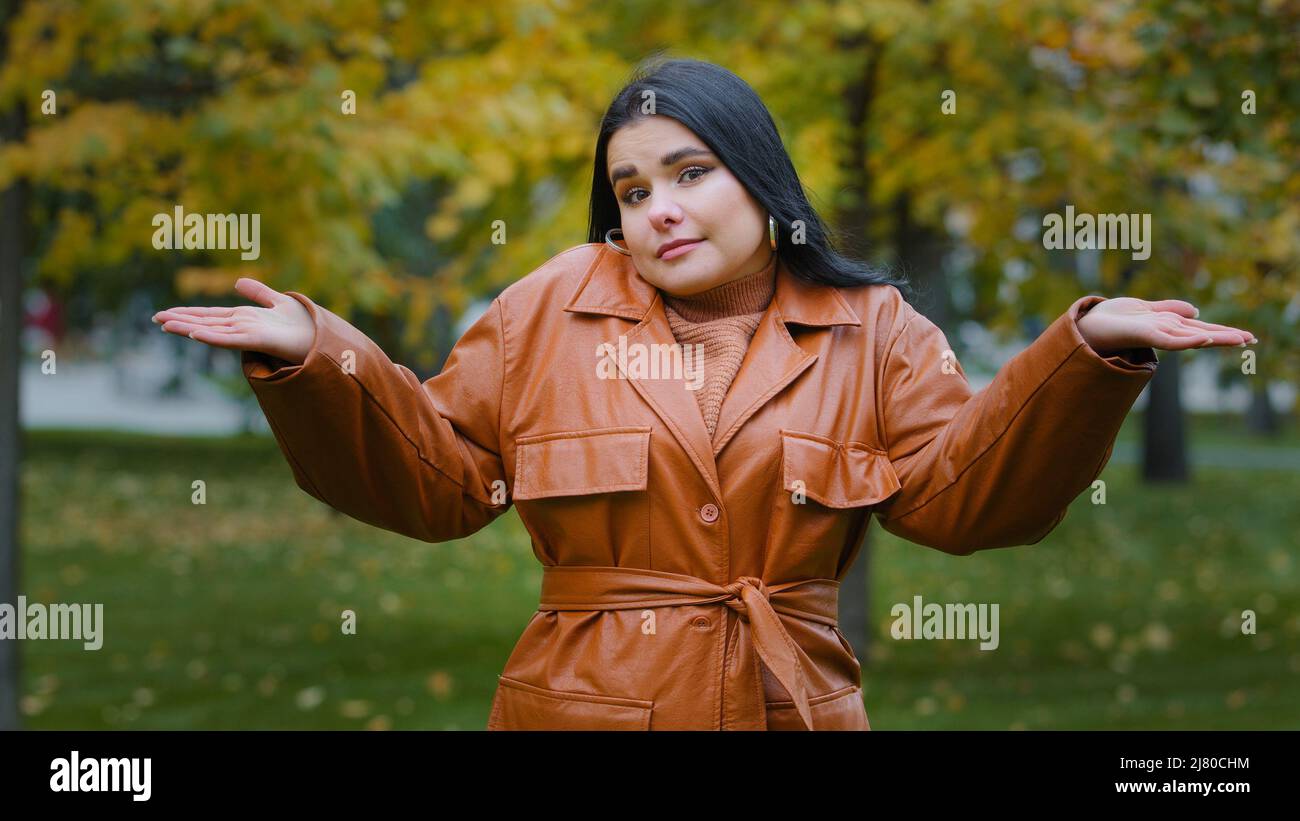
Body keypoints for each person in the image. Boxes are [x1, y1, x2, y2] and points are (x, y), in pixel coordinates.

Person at [152, 58, 1255, 730]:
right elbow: (439, 481)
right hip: (578, 711)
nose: (660, 210)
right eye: (632, 190)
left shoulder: (872, 328)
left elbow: (963, 500)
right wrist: (319, 357)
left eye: (690, 172)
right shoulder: (547, 306)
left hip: (795, 708)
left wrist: (1083, 357)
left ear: (759, 178)